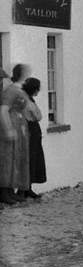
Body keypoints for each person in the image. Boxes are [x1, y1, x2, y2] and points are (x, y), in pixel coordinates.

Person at [0, 64, 32, 204]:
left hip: (18, 125)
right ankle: (4, 192)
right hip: (9, 126)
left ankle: (9, 191)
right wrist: (8, 129)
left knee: (13, 159)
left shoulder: (15, 90)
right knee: (7, 159)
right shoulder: (10, 91)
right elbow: (3, 111)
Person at [22, 77, 44, 199]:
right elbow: (38, 116)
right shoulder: (29, 102)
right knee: (31, 158)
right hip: (31, 129)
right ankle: (26, 189)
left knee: (31, 158)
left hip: (29, 130)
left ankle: (27, 188)